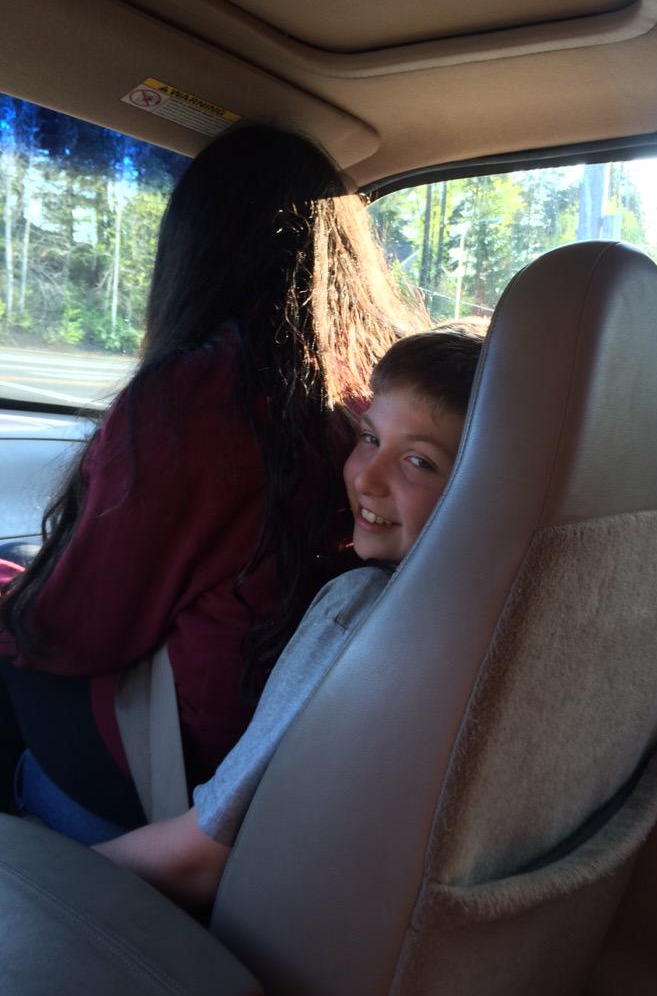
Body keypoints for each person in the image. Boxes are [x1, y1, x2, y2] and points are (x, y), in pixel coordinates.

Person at [0, 124, 424, 839]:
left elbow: (79, 633)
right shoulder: (376, 402)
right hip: (285, 761)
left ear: (194, 252)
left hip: (187, 765)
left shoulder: (196, 399)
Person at [93, 327, 484, 911]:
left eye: (419, 461)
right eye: (369, 438)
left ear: (487, 487)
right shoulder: (502, 618)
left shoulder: (358, 612)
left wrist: (39, 871)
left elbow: (196, 862)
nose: (366, 477)